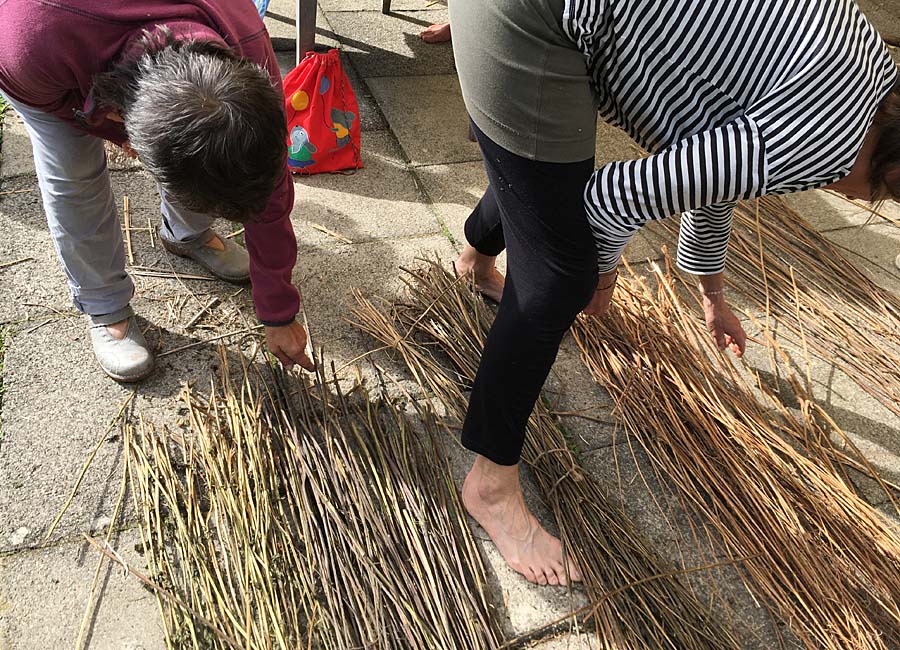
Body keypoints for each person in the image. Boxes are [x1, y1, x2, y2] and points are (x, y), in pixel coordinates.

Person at [449, 0, 899, 586]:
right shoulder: (829, 145)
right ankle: (490, 483)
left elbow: (717, 161)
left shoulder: (871, 68)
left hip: (565, 14)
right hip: (525, 14)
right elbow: (612, 199)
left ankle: (476, 260)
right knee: (560, 271)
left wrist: (712, 295)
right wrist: (600, 274)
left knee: (542, 174)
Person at [0, 0, 314, 382]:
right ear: (121, 115)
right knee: (74, 174)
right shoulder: (27, 38)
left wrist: (277, 310)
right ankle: (104, 304)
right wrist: (101, 122)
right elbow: (53, 105)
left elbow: (269, 190)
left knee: (215, 155)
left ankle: (187, 234)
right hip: (49, 54)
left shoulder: (248, 51)